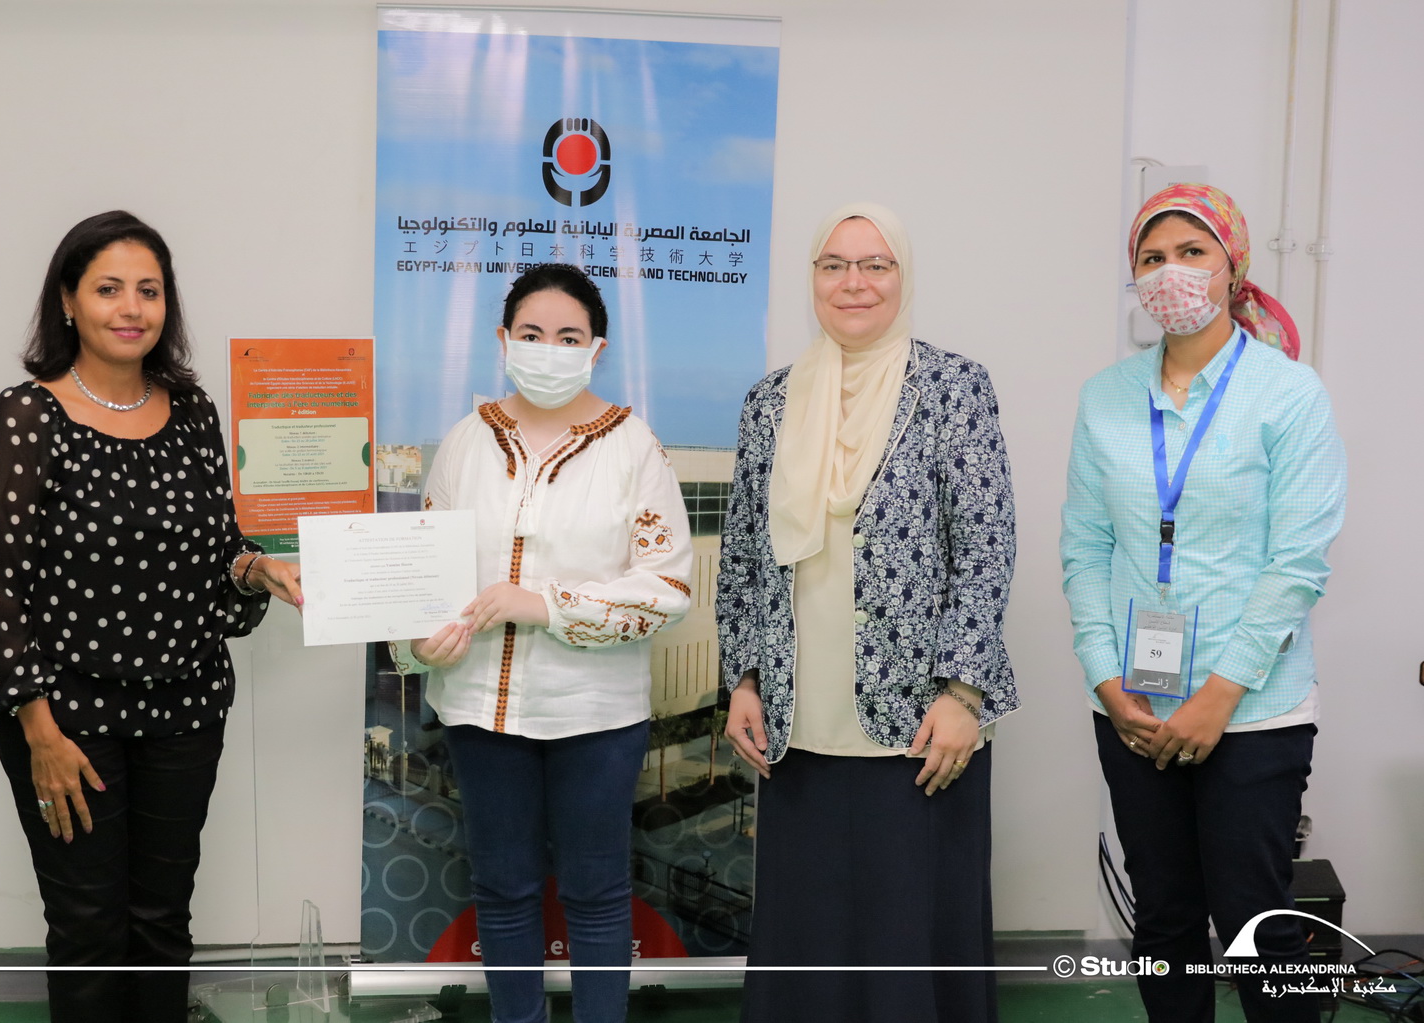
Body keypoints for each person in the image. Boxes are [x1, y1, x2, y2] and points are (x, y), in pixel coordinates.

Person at [0, 210, 303, 1023]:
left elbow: (215, 548)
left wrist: (256, 567)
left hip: (185, 708)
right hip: (66, 716)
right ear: (68, 300)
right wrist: (38, 731)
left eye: (148, 291)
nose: (131, 308)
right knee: (87, 927)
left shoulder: (191, 411)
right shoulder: (28, 416)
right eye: (109, 288)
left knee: (161, 922)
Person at [716, 202, 1018, 1023]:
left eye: (874, 264)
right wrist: (742, 680)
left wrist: (961, 693)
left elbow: (985, 545)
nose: (854, 282)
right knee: (806, 930)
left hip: (920, 720)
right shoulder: (770, 401)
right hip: (796, 720)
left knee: (909, 929)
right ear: (813, 278)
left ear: (902, 276)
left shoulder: (952, 386)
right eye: (834, 264)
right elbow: (742, 553)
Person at [1060, 183, 1346, 1023]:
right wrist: (1106, 679)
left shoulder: (1288, 393)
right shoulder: (1105, 395)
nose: (1170, 273)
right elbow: (1084, 547)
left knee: (1258, 925)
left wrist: (1218, 695)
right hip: (1132, 706)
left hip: (1253, 707)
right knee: (1163, 915)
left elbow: (1296, 564)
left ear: (1232, 267)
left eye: (1191, 252)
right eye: (1151, 258)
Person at [407, 263, 693, 1023]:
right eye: (532, 333)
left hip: (596, 712)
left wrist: (544, 605)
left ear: (597, 348)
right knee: (502, 888)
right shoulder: (466, 442)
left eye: (569, 336)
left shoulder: (633, 447)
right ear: (503, 340)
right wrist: (421, 641)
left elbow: (667, 588)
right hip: (478, 705)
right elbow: (424, 570)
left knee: (596, 891)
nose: (549, 349)